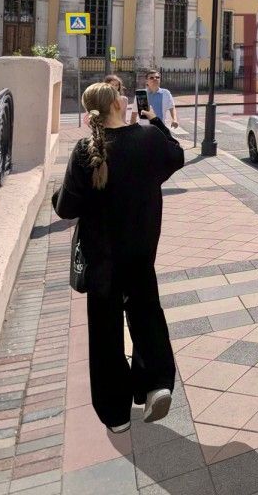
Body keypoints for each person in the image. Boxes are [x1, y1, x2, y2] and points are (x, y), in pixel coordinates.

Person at [53, 82, 185, 433]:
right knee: (147, 316)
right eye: (120, 93)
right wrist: (155, 121)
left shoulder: (86, 151)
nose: (126, 95)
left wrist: (59, 193)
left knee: (105, 334)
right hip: (141, 253)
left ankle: (116, 415)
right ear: (115, 104)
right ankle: (155, 384)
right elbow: (177, 156)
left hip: (101, 260)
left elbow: (66, 208)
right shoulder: (149, 139)